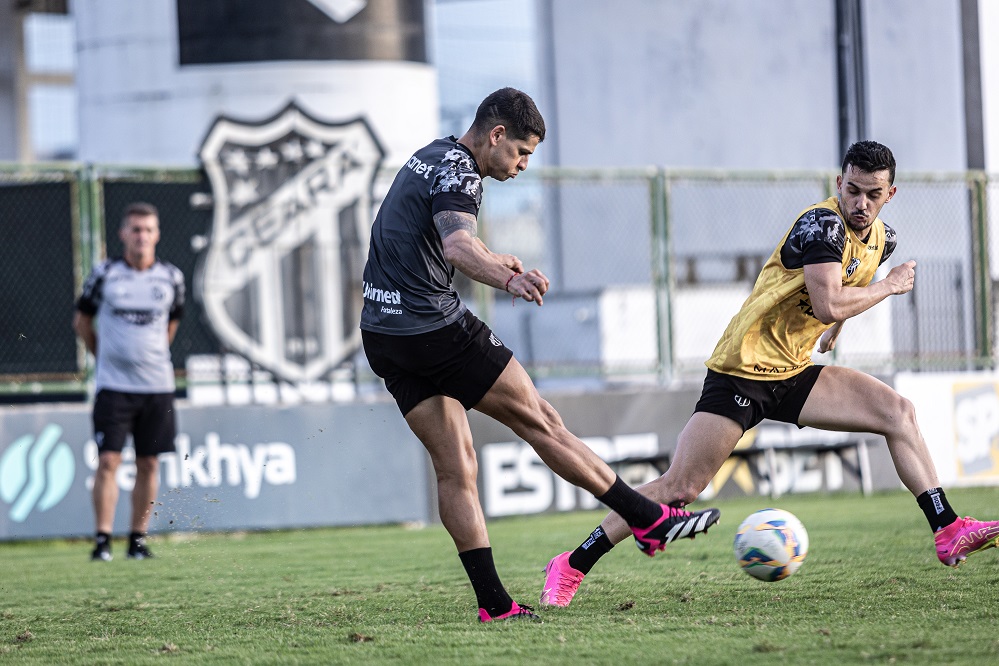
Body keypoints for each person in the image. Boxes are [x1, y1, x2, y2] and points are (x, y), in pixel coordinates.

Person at [538, 140, 999, 608]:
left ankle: (948, 528)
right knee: (680, 488)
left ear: (890, 194)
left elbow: (844, 291)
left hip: (795, 370)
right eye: (853, 190)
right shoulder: (822, 225)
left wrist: (834, 332)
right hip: (743, 371)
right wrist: (888, 287)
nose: (861, 203)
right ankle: (571, 564)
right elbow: (829, 300)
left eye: (872, 194)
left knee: (898, 412)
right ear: (839, 183)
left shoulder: (884, 238)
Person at [359, 87, 720, 623]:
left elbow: (439, 240)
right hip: (432, 328)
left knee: (455, 468)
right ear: (496, 135)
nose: (524, 165)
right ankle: (646, 516)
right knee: (543, 422)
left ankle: (494, 606)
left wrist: (490, 255)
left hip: (383, 334)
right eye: (521, 153)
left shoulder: (430, 156)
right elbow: (458, 247)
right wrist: (509, 276)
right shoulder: (461, 171)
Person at [74, 202, 185, 562]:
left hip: (157, 387)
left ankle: (137, 540)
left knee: (149, 463)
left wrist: (148, 355)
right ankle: (102, 540)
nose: (141, 236)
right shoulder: (105, 274)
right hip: (114, 387)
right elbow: (82, 322)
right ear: (123, 234)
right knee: (108, 460)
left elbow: (172, 323)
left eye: (147, 230)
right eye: (135, 229)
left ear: (156, 235)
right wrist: (106, 357)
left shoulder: (171, 277)